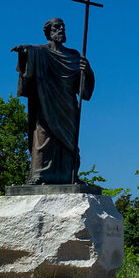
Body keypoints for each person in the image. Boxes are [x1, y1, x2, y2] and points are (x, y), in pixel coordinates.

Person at [11, 18, 94, 184]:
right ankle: (39, 174)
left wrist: (88, 70)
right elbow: (30, 52)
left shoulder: (74, 55)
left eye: (63, 26)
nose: (61, 29)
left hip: (68, 105)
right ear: (48, 32)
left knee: (69, 142)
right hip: (46, 101)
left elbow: (83, 90)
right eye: (57, 26)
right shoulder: (41, 52)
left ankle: (70, 175)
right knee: (44, 136)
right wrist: (24, 52)